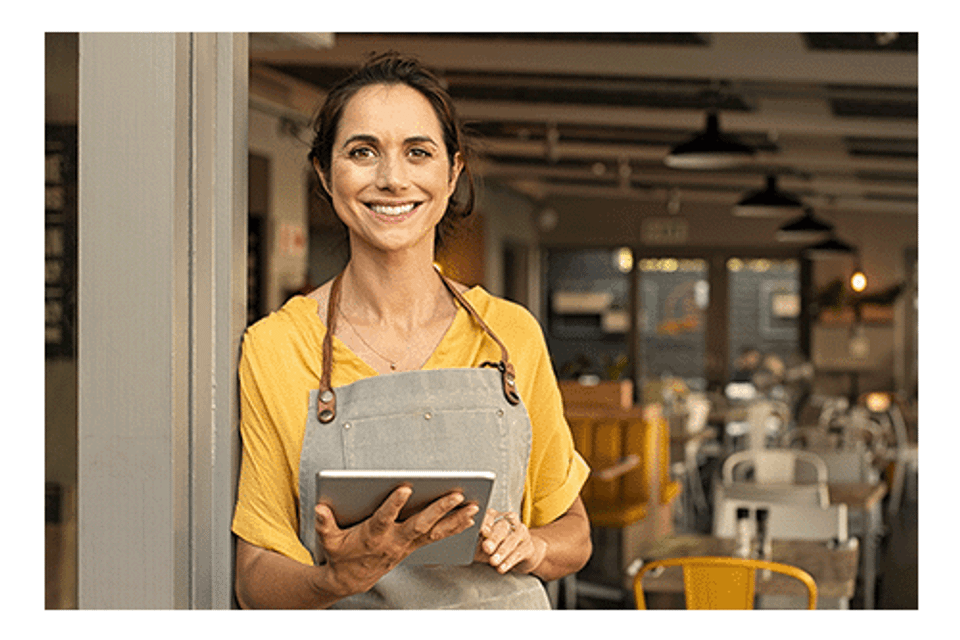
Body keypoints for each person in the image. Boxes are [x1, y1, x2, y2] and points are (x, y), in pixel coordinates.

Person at [232, 53, 592, 610]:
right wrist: (336, 578)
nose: (392, 178)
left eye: (417, 152)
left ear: (451, 174)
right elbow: (255, 574)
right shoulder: (278, 347)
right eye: (362, 152)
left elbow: (573, 533)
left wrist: (531, 545)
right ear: (326, 175)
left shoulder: (509, 334)